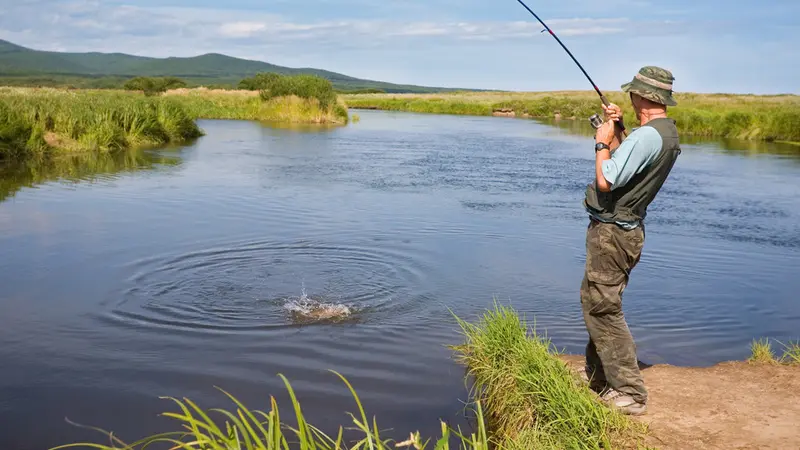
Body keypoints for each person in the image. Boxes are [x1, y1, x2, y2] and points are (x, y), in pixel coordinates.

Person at [580, 66, 681, 416]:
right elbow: (628, 164)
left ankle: (629, 392)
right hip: (624, 231)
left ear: (644, 97)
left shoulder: (648, 136)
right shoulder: (662, 132)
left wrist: (601, 141)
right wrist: (620, 130)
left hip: (613, 234)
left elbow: (608, 179)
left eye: (633, 92)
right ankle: (598, 373)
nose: (629, 96)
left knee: (604, 307)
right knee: (596, 299)